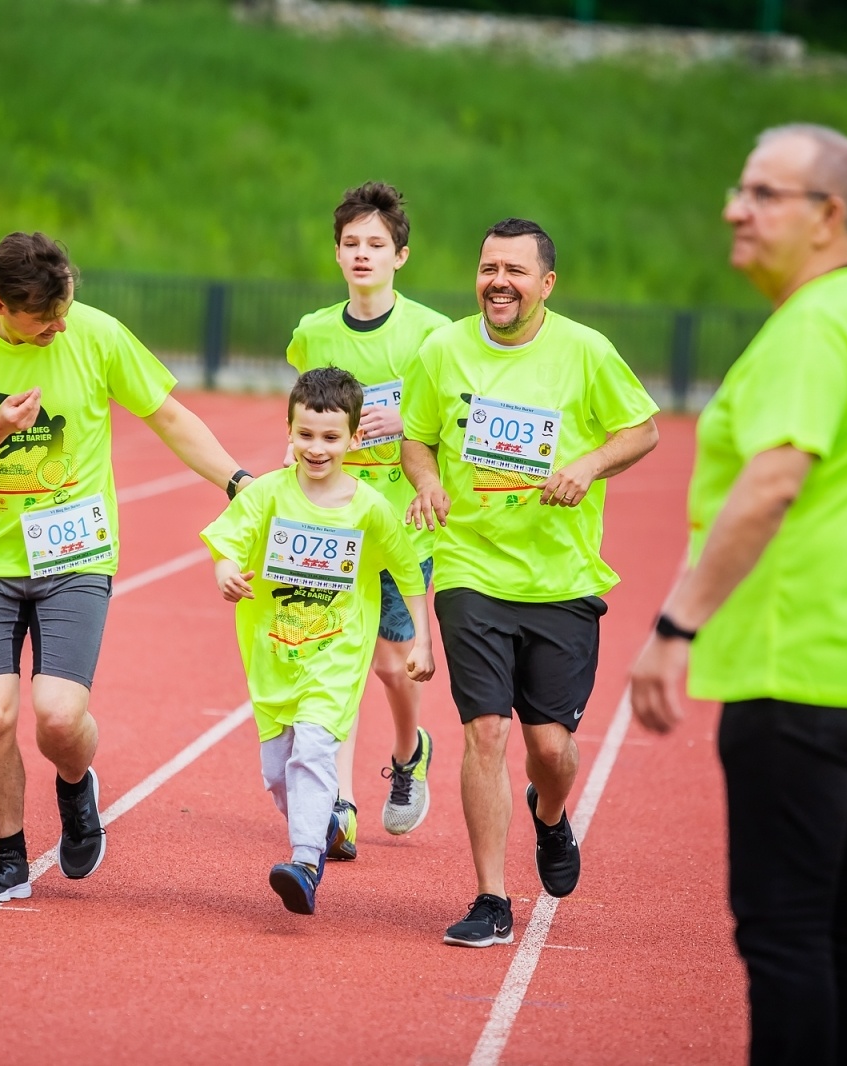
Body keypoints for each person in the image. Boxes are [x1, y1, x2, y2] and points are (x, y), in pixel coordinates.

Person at [626, 125, 847, 1066]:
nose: (736, 208)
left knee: (786, 933)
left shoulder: (814, 325)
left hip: (796, 665)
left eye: (764, 193)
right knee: (842, 920)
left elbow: (774, 480)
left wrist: (676, 624)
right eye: (740, 188)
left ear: (828, 216)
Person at [0, 231, 256, 903]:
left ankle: (75, 786)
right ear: (3, 308)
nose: (61, 325)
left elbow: (171, 416)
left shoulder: (95, 334)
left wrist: (237, 479)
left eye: (66, 308)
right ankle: (8, 858)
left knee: (59, 717)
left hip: (75, 551)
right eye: (46, 320)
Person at [402, 219, 660, 947]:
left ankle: (549, 816)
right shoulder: (443, 349)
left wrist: (587, 467)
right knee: (483, 732)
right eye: (488, 268)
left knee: (549, 749)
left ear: (546, 283)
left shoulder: (585, 352)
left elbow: (641, 429)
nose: (498, 282)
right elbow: (414, 437)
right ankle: (491, 897)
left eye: (515, 270)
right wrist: (426, 483)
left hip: (561, 577)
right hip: (469, 567)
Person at [201, 367, 435, 915]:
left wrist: (423, 643)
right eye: (306, 434)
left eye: (331, 437)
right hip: (273, 654)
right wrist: (225, 572)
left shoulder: (370, 508)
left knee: (313, 746)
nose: (317, 447)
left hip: (337, 654)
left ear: (355, 438)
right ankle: (323, 820)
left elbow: (407, 573)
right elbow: (226, 542)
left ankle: (305, 862)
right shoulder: (267, 495)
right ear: (289, 432)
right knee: (278, 772)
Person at [285, 181, 451, 860]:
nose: (362, 254)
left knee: (390, 666)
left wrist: (405, 422)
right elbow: (301, 415)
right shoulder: (314, 332)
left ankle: (410, 752)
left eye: (375, 244)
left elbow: (450, 426)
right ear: (337, 253)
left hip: (402, 522)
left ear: (400, 256)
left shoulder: (432, 335)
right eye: (351, 244)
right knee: (337, 663)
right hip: (333, 523)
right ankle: (340, 804)